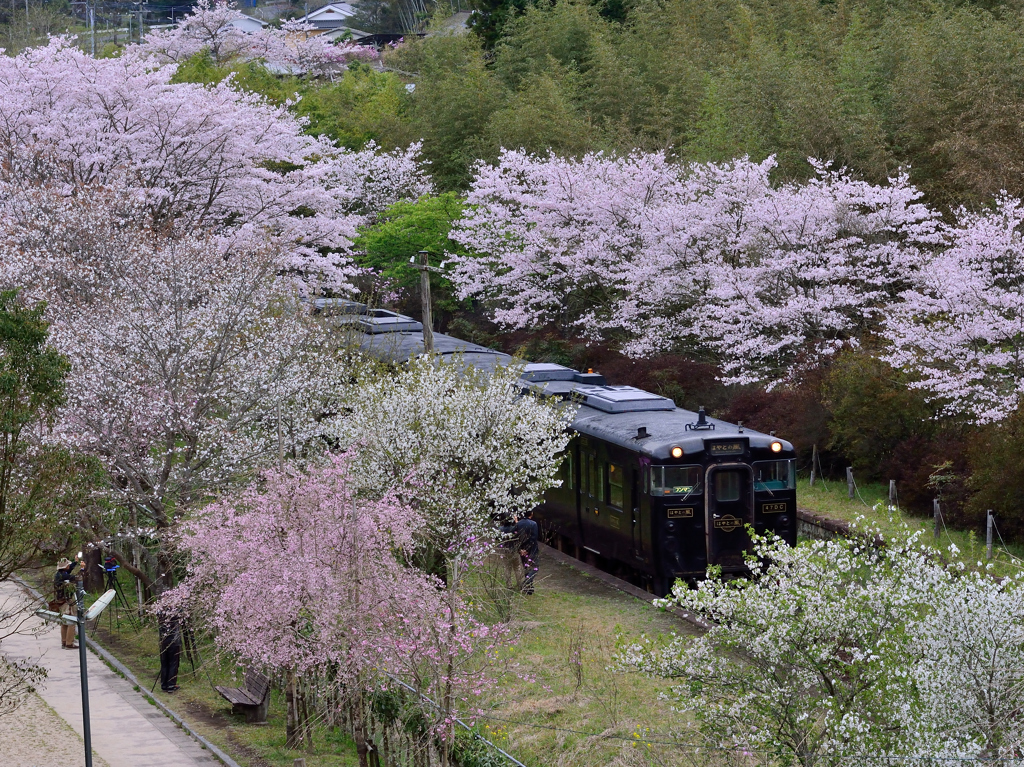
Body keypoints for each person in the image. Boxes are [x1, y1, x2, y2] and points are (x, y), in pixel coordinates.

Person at [52, 557, 79, 649]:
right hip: (66, 601)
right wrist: (83, 569)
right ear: (64, 567)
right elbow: (75, 577)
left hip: (60, 601)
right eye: (67, 565)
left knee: (64, 621)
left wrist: (75, 562)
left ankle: (64, 641)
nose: (69, 566)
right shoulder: (63, 576)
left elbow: (68, 570)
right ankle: (69, 643)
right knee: (71, 621)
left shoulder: (59, 574)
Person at [515, 509, 540, 595]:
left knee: (526, 567)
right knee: (534, 567)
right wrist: (527, 549)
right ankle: (526, 583)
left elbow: (516, 537)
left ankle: (529, 589)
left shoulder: (518, 524)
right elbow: (534, 537)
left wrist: (520, 549)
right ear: (531, 514)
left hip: (522, 550)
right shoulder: (533, 524)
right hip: (532, 549)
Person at [158, 615, 183, 692]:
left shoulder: (160, 610)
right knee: (173, 663)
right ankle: (171, 684)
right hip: (173, 641)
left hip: (163, 640)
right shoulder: (175, 611)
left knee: (164, 663)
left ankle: (164, 684)